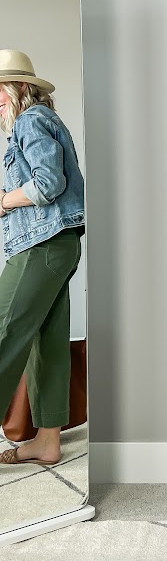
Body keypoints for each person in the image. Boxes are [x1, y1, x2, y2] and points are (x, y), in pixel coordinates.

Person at [0, 49, 85, 467]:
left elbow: (47, 184)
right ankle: (47, 441)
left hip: (42, 245)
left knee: (3, 333)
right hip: (59, 244)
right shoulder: (40, 122)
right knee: (46, 343)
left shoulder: (30, 121)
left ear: (20, 87)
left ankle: (46, 438)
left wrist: (3, 200)